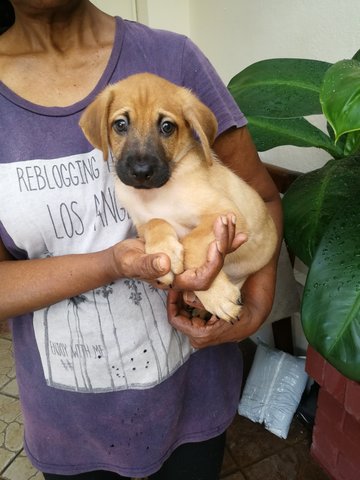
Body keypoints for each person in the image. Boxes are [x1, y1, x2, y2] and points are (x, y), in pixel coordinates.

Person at [0, 1, 282, 479]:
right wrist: (113, 263)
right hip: (69, 422)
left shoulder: (174, 58)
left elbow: (260, 200)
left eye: (166, 129)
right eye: (122, 127)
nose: (142, 154)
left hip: (191, 402)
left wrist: (253, 308)